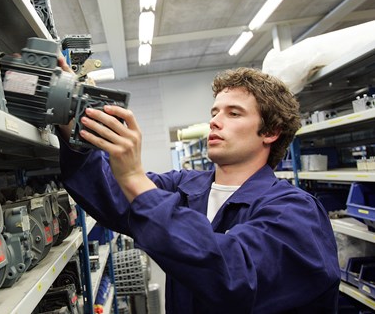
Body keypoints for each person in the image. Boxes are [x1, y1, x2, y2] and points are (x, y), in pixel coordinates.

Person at [56, 65, 340, 313]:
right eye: (214, 111)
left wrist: (134, 175)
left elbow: (234, 278)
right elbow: (111, 195)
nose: (214, 121)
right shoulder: (184, 187)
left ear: (270, 132)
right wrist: (72, 118)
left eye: (234, 113)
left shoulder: (297, 212)